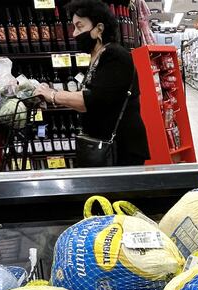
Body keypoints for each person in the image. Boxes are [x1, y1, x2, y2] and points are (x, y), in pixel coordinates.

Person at [34, 0, 149, 166]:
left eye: (79, 27)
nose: (74, 34)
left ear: (99, 28)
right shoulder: (98, 56)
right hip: (106, 144)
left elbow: (90, 100)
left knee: (116, 192)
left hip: (120, 147)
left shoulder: (114, 55)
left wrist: (52, 95)